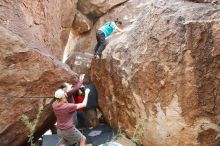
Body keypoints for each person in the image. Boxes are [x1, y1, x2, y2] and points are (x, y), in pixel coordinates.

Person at [52, 74, 90, 146]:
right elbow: (84, 104)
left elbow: (64, 95)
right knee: (83, 138)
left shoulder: (54, 104)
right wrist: (87, 93)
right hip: (68, 129)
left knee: (62, 144)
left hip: (59, 129)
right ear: (64, 96)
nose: (70, 85)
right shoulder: (68, 106)